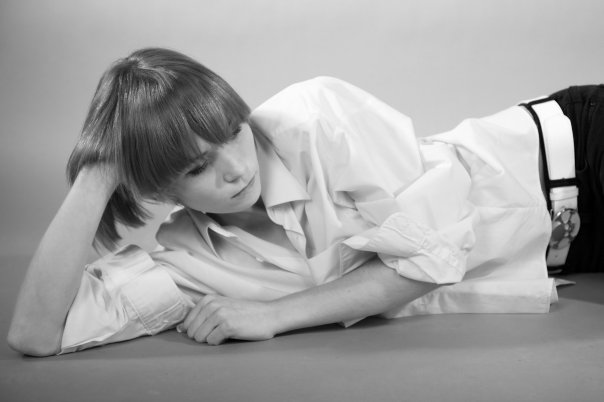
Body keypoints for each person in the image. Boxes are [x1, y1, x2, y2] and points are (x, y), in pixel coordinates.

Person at [6, 47, 599, 357]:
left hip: (573, 150)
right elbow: (35, 334)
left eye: (233, 131)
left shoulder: (314, 119)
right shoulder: (190, 262)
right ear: (160, 191)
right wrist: (100, 170)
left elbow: (433, 258)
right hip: (571, 246)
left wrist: (275, 315)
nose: (237, 167)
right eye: (197, 167)